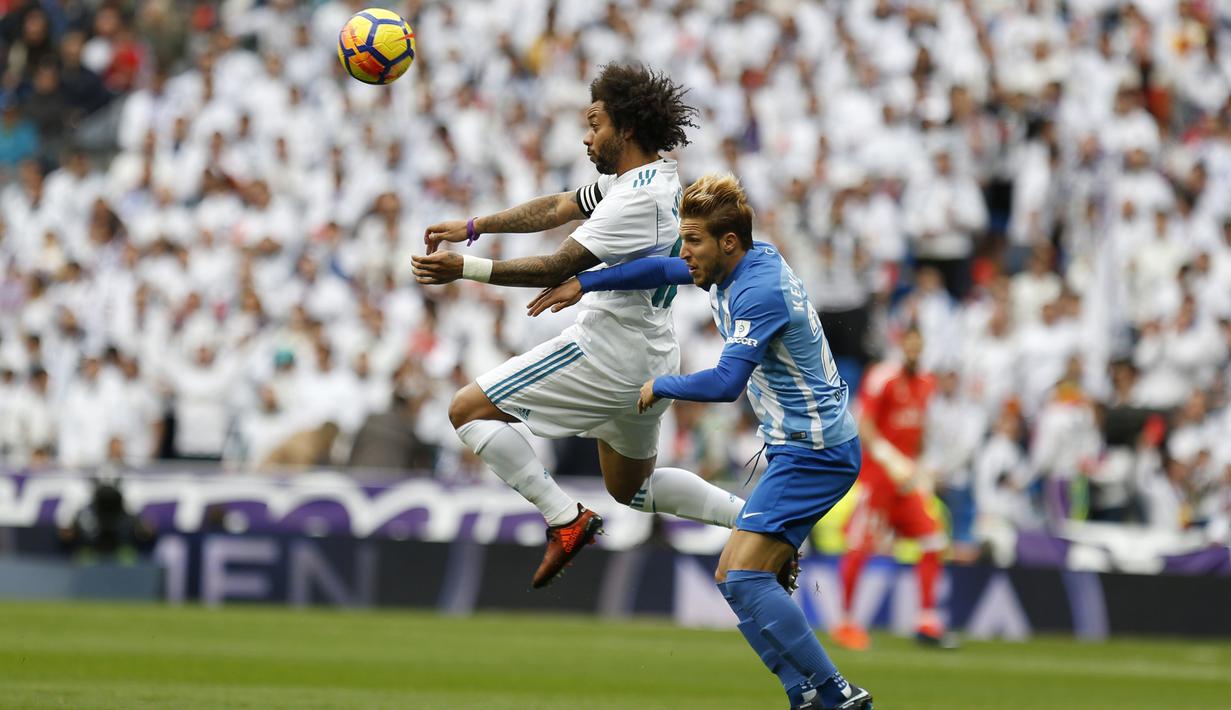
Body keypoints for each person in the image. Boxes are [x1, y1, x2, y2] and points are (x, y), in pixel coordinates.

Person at [527, 173, 872, 710]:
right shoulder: (737, 265)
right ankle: (801, 693)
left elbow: (726, 383)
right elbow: (660, 268)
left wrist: (661, 383)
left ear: (727, 243)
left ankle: (839, 695)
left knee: (745, 576)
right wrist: (587, 282)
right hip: (797, 448)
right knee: (731, 577)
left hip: (816, 451)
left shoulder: (758, 291)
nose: (682, 252)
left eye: (693, 241)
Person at [410, 63, 752, 590]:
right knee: (632, 491)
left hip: (605, 352)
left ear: (627, 129)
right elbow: (559, 205)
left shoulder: (635, 198)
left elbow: (554, 267)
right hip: (652, 355)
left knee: (466, 411)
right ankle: (756, 521)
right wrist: (477, 226)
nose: (586, 136)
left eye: (595, 123)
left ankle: (564, 518)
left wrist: (465, 268)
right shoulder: (648, 180)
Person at [834, 328, 953, 650]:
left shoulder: (926, 383)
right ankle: (845, 623)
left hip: (907, 483)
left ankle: (926, 621)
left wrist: (923, 465)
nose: (914, 352)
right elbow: (865, 424)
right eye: (910, 346)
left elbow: (919, 430)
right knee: (861, 546)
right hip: (879, 480)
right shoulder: (882, 377)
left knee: (933, 538)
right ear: (901, 345)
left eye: (919, 346)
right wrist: (890, 459)